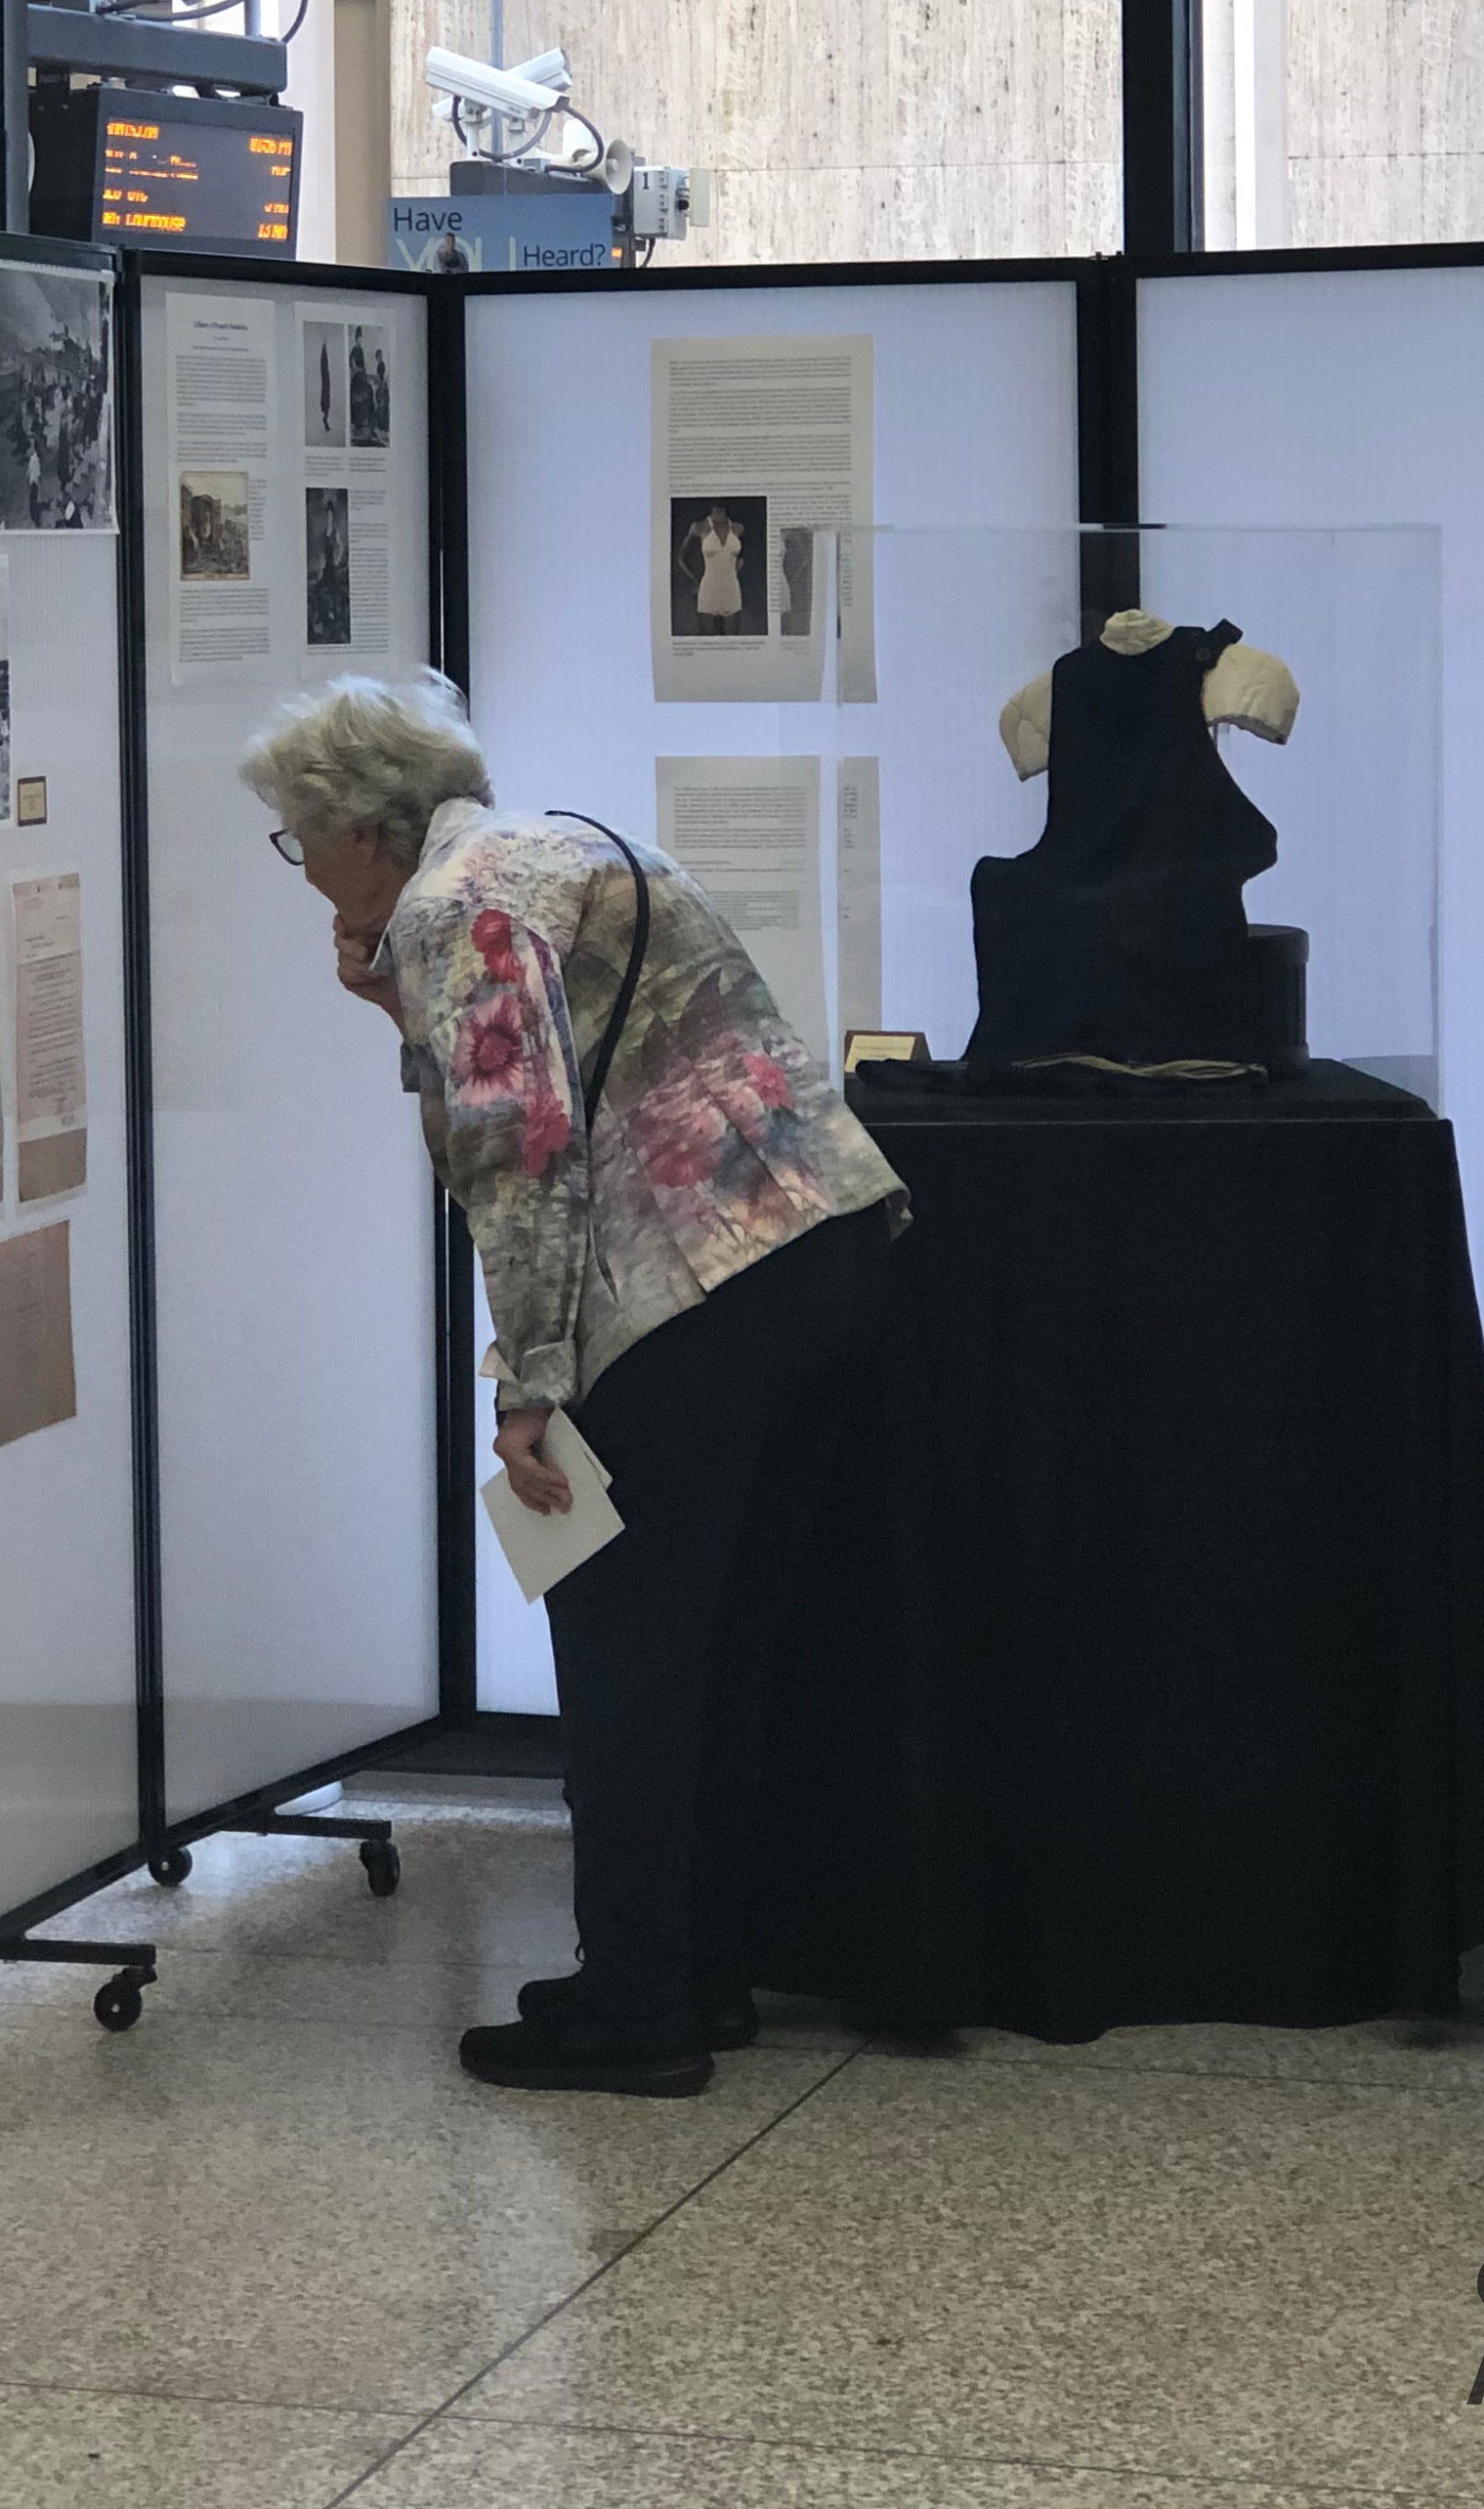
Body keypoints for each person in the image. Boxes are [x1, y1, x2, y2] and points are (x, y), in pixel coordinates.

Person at [239, 674, 907, 2098]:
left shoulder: (450, 913)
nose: (305, 872)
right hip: (820, 1253)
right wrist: (395, 1012)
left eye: (300, 841)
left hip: (686, 1295)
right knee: (726, 1650)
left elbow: (520, 1158)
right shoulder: (565, 845)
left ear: (363, 824)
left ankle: (635, 2012)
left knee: (632, 1661)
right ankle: (699, 1967)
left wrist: (527, 1388)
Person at [678, 504, 746, 636]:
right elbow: (682, 557)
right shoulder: (699, 527)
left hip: (731, 589)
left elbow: (741, 558)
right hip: (709, 589)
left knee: (733, 644)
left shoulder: (738, 528)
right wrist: (695, 580)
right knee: (708, 643)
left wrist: (734, 574)